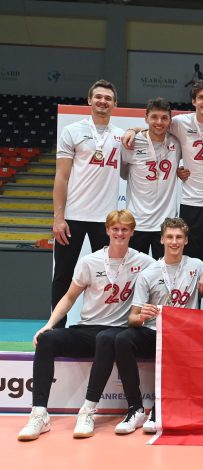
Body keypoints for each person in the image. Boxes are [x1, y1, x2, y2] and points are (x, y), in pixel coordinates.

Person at [18, 210, 154, 441]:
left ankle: (87, 410)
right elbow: (70, 297)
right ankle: (39, 413)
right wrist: (49, 324)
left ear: (132, 232)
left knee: (106, 337)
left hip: (119, 333)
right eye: (115, 229)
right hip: (88, 329)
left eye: (125, 229)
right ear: (107, 230)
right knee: (47, 340)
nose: (119, 233)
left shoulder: (145, 262)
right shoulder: (89, 261)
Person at [123, 79, 203, 262]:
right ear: (193, 101)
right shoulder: (179, 123)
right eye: (201, 97)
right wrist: (133, 129)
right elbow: (156, 125)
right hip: (192, 202)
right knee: (190, 261)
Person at [123, 217, 203, 434]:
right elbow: (131, 318)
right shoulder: (148, 273)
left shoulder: (197, 266)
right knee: (121, 340)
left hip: (183, 334)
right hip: (153, 331)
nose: (174, 242)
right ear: (161, 239)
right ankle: (136, 407)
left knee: (175, 342)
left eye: (179, 237)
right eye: (169, 237)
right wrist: (142, 315)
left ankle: (158, 409)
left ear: (186, 240)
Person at [52, 79, 124, 328]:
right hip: (73, 216)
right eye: (99, 97)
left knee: (107, 278)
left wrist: (135, 132)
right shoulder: (72, 131)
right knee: (63, 275)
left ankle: (100, 329)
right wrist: (58, 218)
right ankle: (55, 330)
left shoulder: (120, 136)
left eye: (108, 98)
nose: (103, 101)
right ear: (90, 100)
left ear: (115, 104)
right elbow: (61, 177)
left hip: (106, 220)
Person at [120, 98, 182, 257]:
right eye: (154, 117)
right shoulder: (131, 142)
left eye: (164, 118)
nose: (159, 122)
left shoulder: (177, 143)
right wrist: (133, 130)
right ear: (146, 118)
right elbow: (123, 174)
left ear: (170, 120)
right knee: (135, 276)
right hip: (137, 222)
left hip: (166, 224)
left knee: (163, 276)